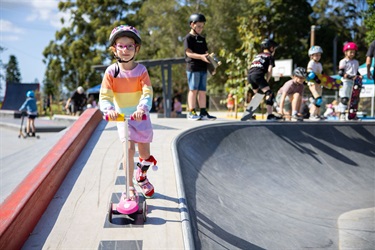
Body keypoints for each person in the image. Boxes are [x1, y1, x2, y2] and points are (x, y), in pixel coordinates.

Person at [99, 25, 157, 198]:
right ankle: (129, 187)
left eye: (129, 46)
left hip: (141, 116)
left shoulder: (141, 71)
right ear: (114, 49)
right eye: (121, 46)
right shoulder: (111, 72)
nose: (125, 50)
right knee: (129, 149)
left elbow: (147, 92)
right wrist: (109, 110)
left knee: (145, 154)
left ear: (136, 49)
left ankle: (142, 175)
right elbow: (105, 96)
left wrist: (142, 108)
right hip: (122, 118)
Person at [184, 13, 216, 121]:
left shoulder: (202, 38)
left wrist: (212, 66)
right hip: (193, 67)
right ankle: (191, 111)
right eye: (198, 26)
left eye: (202, 27)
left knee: (202, 91)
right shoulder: (188, 38)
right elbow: (188, 53)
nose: (200, 29)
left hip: (203, 67)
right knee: (193, 89)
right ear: (192, 25)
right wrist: (201, 57)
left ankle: (203, 112)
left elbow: (206, 54)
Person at [247, 38, 280, 121]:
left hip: (250, 75)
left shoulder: (257, 55)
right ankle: (270, 115)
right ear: (271, 48)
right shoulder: (270, 56)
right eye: (273, 48)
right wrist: (267, 80)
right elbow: (270, 70)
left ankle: (249, 114)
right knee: (269, 93)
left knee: (258, 95)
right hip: (258, 75)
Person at [337, 42, 361, 121]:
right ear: (345, 52)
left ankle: (352, 115)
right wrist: (350, 76)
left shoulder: (356, 62)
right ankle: (342, 114)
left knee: (354, 99)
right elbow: (341, 73)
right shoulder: (343, 61)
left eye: (353, 52)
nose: (352, 54)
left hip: (354, 82)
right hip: (345, 81)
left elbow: (356, 72)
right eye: (350, 52)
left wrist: (359, 75)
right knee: (345, 98)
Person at [306, 45, 324, 121]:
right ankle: (312, 114)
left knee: (319, 100)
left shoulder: (319, 64)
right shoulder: (311, 63)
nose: (318, 56)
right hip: (312, 83)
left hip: (319, 84)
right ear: (311, 55)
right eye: (316, 55)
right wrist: (316, 79)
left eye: (319, 55)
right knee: (317, 99)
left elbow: (322, 73)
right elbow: (310, 73)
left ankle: (317, 114)